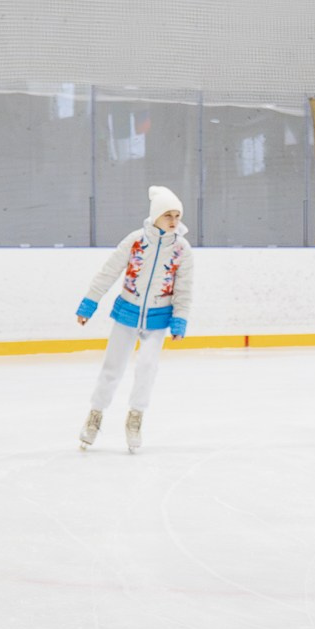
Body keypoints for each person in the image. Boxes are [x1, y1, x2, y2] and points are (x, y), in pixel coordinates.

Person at [76, 185, 194, 454]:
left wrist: (180, 320)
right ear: (155, 216)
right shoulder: (135, 241)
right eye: (168, 215)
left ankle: (135, 417)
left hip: (159, 318)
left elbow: (185, 288)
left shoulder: (181, 249)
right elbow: (108, 272)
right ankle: (95, 415)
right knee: (112, 368)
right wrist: (89, 304)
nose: (174, 221)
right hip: (127, 313)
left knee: (147, 368)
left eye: (177, 215)